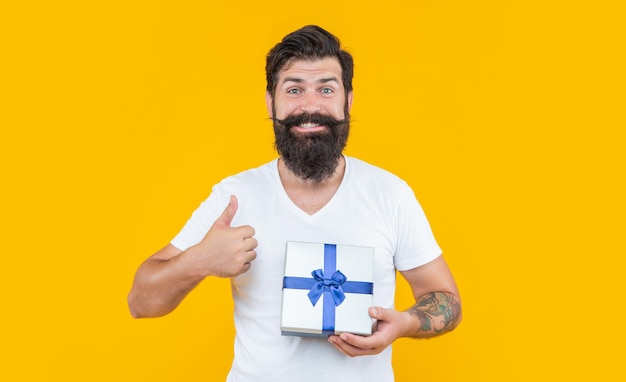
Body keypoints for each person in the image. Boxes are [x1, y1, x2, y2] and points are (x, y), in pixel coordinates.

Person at [128, 25, 462, 382]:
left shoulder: (389, 194)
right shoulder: (234, 196)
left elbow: (446, 300)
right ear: (271, 103)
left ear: (347, 101)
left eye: (326, 89)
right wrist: (198, 260)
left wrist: (404, 324)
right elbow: (141, 303)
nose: (310, 106)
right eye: (294, 89)